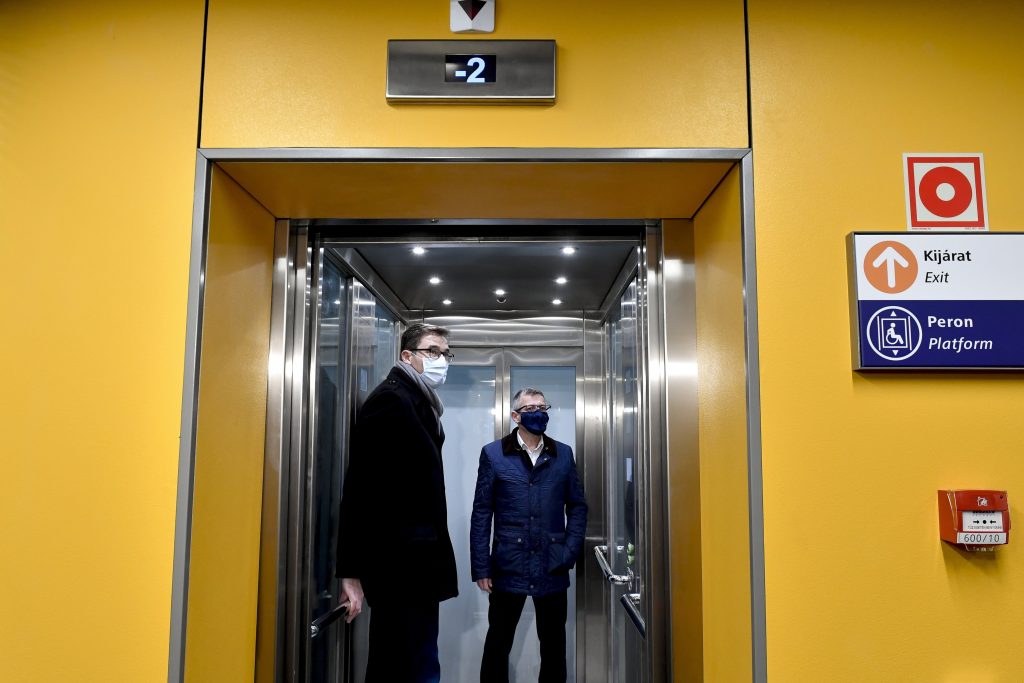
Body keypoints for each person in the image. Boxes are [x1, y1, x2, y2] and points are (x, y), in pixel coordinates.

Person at [335, 323, 458, 683]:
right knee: (398, 664)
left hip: (418, 566)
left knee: (420, 660)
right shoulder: (392, 399)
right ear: (407, 355)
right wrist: (350, 572)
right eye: (432, 351)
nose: (441, 360)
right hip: (398, 567)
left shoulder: (421, 402)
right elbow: (360, 490)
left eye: (445, 353)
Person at [471, 388, 588, 683]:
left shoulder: (563, 454)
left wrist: (569, 552)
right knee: (498, 643)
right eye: (530, 408)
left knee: (554, 646)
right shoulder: (493, 454)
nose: (538, 413)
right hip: (508, 564)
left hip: (552, 563)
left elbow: (577, 506)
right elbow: (482, 512)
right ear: (515, 416)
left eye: (542, 407)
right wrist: (481, 567)